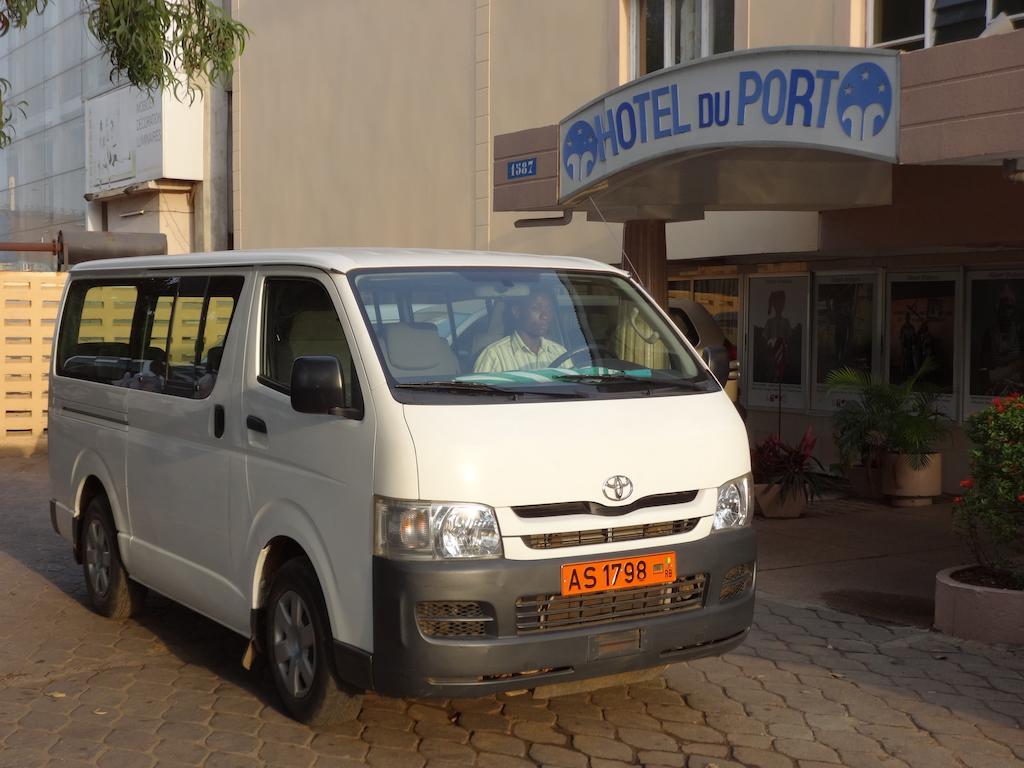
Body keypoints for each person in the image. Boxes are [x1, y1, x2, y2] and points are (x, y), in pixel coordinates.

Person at [474, 290, 567, 373]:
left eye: (548, 309)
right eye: (535, 308)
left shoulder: (560, 352)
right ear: (517, 311)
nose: (545, 316)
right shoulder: (493, 356)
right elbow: (479, 392)